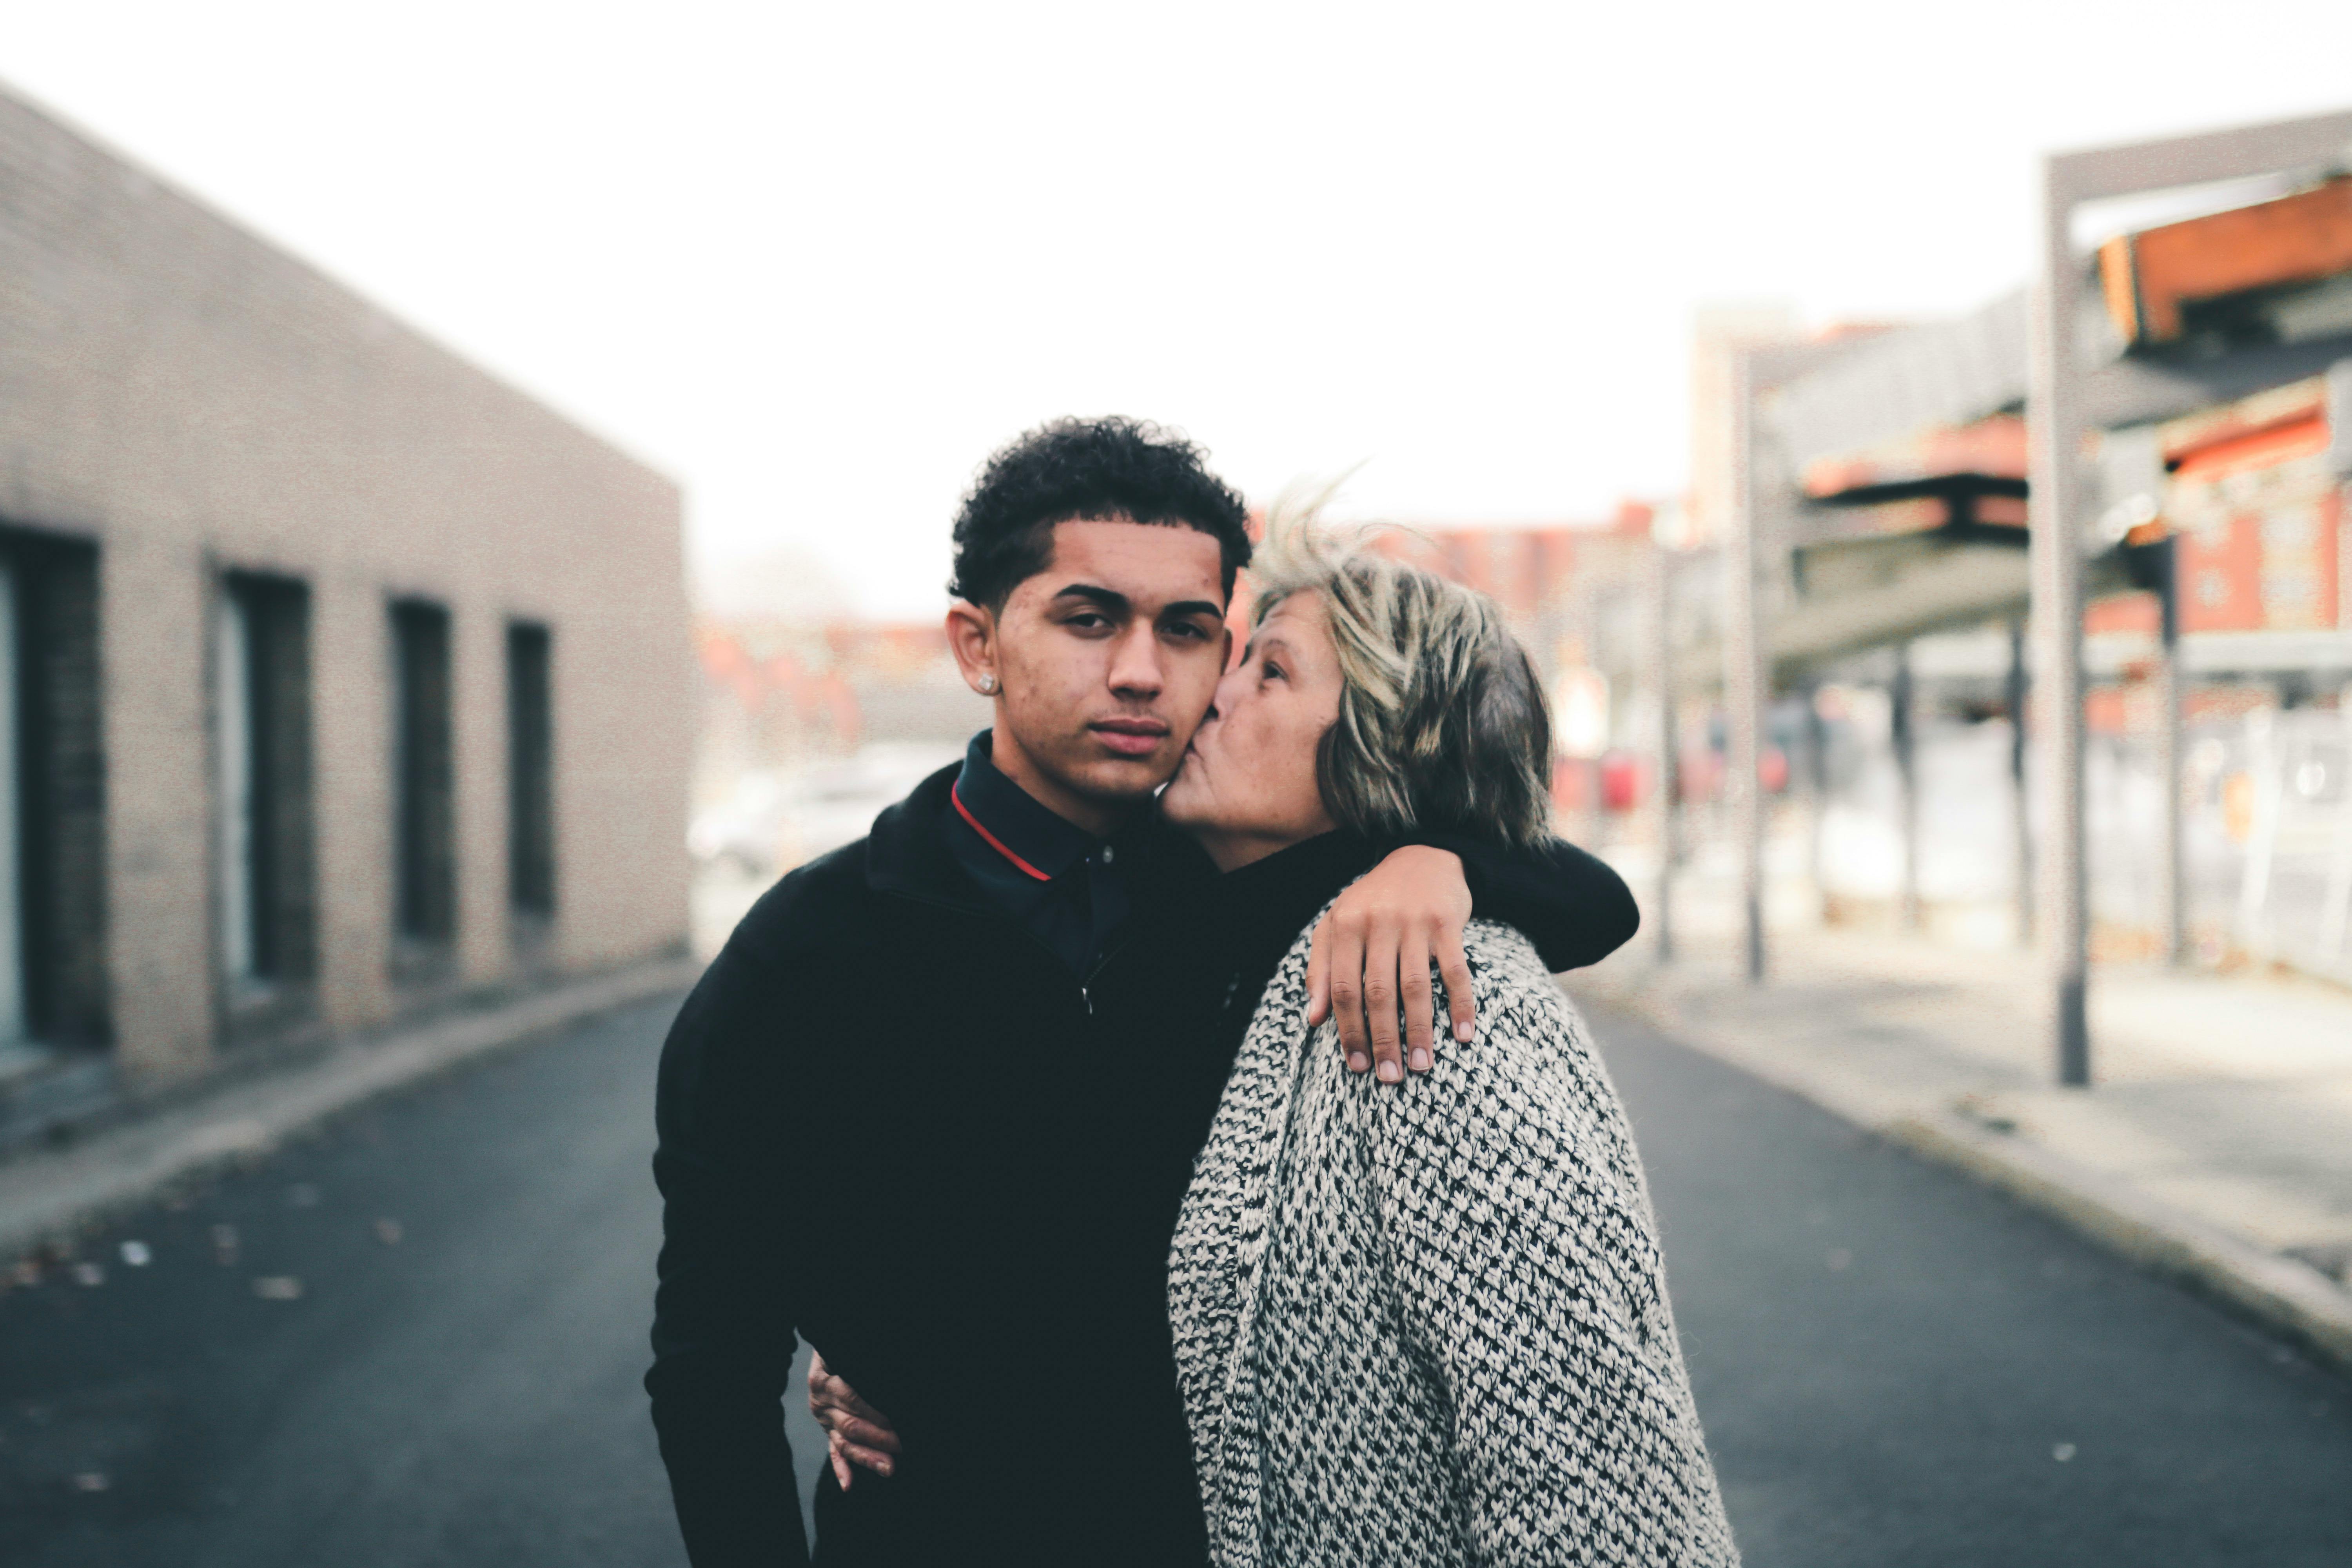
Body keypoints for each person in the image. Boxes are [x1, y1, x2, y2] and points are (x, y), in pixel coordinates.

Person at [647, 419, 1641, 1566]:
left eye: (1186, 632)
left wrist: (1441, 863)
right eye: (1087, 619)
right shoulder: (810, 958)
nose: (1138, 670)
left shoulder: (1247, 888)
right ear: (978, 646)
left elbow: (1592, 897)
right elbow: (708, 1375)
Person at [1155, 517, 1739, 1564]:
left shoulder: (1437, 1014)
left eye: (1271, 673)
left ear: (1382, 748)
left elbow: (1590, 1492)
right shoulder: (1221, 961)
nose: (1215, 692)